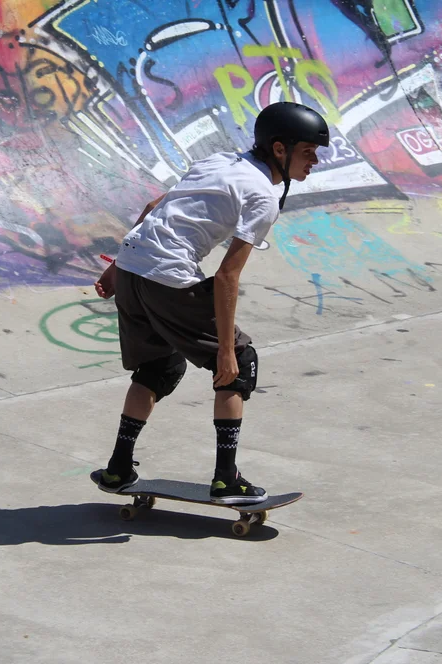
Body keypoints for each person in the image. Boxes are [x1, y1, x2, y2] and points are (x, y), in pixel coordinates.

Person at [92, 102, 330, 504]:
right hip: (166, 276)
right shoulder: (262, 197)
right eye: (309, 152)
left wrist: (117, 268)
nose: (315, 161)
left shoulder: (218, 161)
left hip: (133, 266)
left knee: (158, 366)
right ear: (279, 149)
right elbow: (226, 276)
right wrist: (225, 352)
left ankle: (118, 467)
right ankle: (226, 479)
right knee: (240, 364)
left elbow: (155, 209)